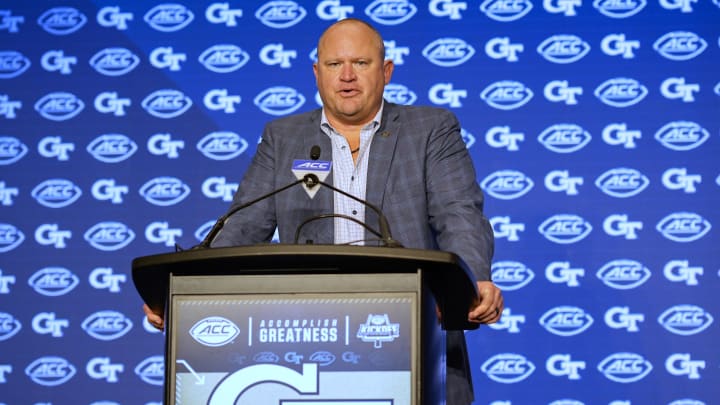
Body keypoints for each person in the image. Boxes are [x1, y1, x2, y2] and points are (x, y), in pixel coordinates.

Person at [144, 18, 503, 405]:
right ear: (317, 73)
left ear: (386, 72)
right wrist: (183, 290)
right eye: (334, 65)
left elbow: (458, 212)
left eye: (361, 64)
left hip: (411, 330)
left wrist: (472, 280)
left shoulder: (430, 128)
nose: (347, 77)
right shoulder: (283, 138)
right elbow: (243, 226)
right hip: (311, 336)